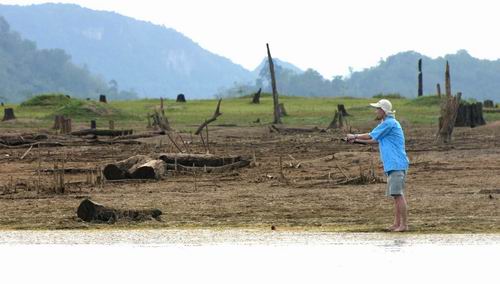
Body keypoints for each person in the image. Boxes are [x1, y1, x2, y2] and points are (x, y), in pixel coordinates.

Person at [346, 99, 410, 232]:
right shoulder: (387, 124)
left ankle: (403, 225)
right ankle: (396, 224)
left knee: (398, 195)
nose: (376, 111)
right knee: (395, 195)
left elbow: (370, 135)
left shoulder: (389, 123)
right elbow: (375, 140)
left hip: (396, 163)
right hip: (392, 164)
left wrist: (354, 135)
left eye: (378, 109)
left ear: (384, 111)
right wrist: (356, 140)